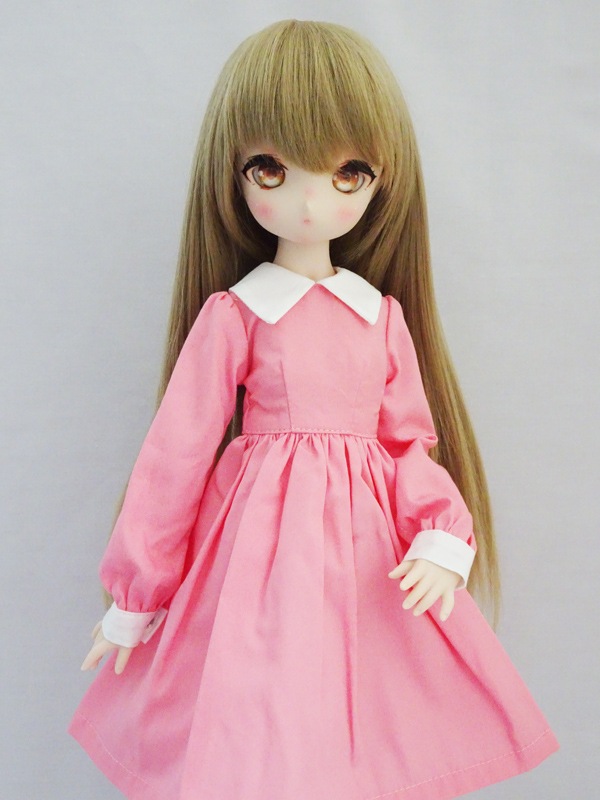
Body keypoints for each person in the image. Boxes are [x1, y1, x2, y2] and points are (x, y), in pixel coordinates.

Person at [69, 19, 558, 800]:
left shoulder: (379, 317)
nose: (309, 199)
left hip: (364, 559)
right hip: (257, 557)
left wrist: (441, 535)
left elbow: (407, 446)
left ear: (378, 181)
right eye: (271, 169)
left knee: (357, 719)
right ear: (235, 175)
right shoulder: (238, 315)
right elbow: (175, 457)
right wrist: (136, 594)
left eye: (346, 173)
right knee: (260, 717)